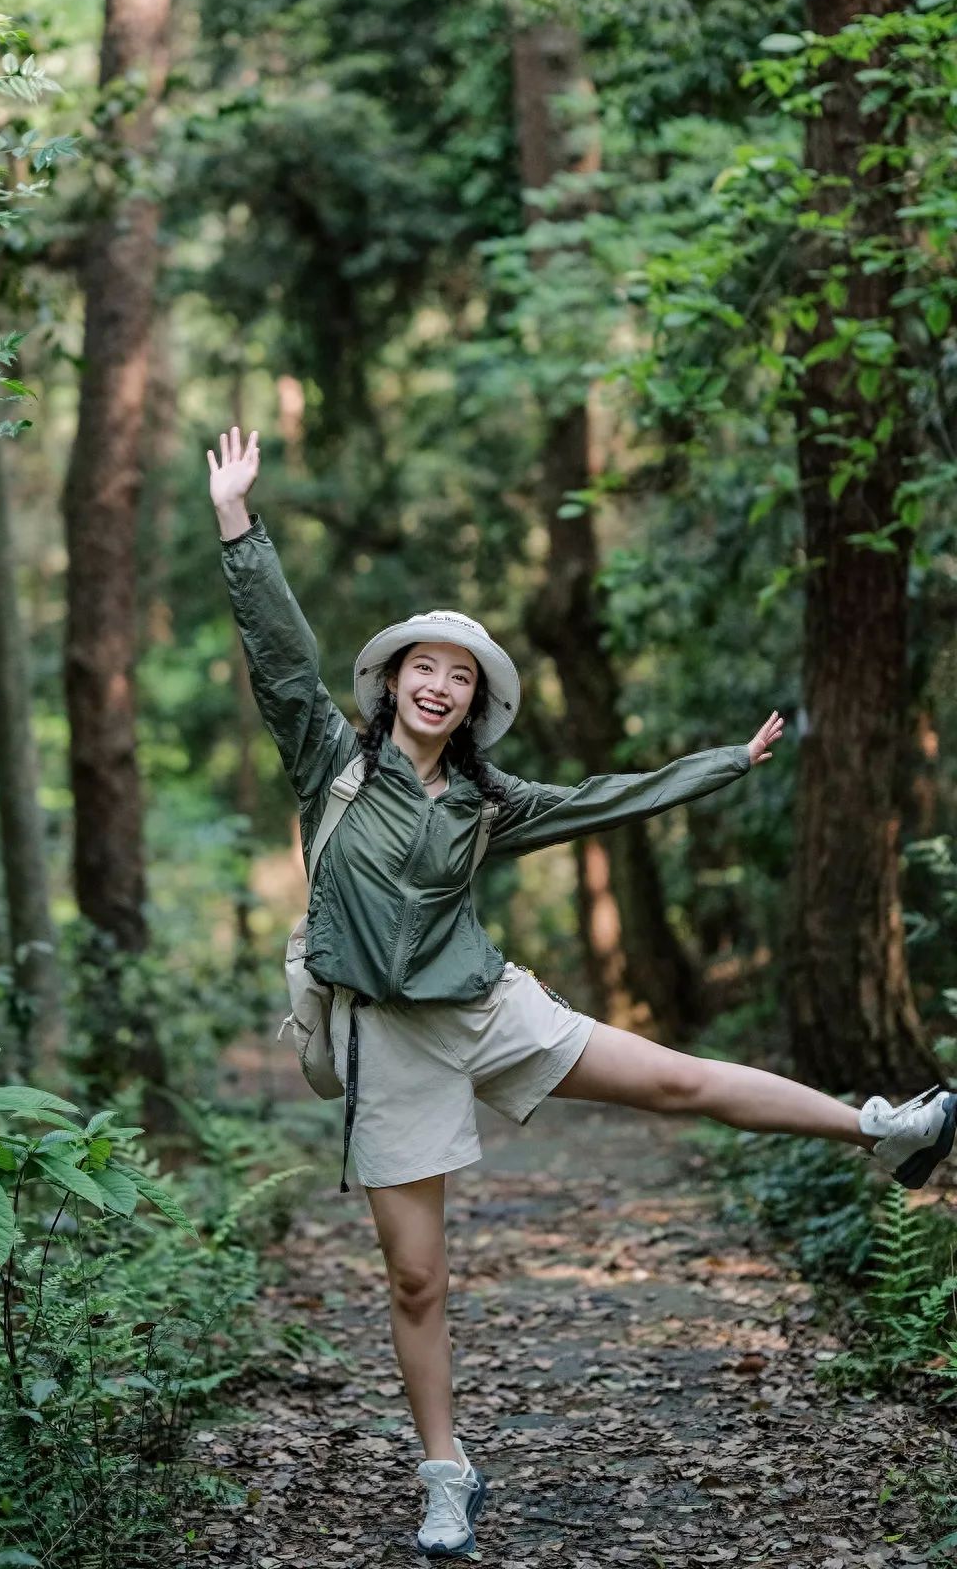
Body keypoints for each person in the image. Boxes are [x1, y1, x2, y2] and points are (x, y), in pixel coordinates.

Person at [207, 423, 957, 1561]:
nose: (440, 686)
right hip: (383, 1041)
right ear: (393, 680)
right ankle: (444, 1475)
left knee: (674, 1079)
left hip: (484, 1006)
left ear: (471, 704)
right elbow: (277, 652)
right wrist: (236, 523)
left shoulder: (485, 803)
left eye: (460, 678)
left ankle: (883, 1128)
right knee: (416, 1279)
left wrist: (720, 766)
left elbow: (605, 799)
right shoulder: (328, 758)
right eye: (425, 667)